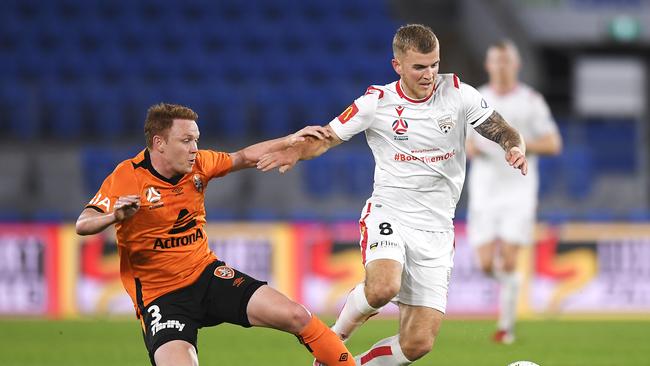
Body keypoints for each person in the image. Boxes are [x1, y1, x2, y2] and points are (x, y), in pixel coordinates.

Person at [257, 24, 528, 365]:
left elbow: (499, 126)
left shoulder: (459, 93)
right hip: (391, 212)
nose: (429, 74)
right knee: (383, 286)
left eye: (434, 64)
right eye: (419, 67)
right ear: (397, 65)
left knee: (418, 344)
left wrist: (512, 145)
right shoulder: (377, 102)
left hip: (437, 230)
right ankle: (331, 341)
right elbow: (328, 137)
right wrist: (298, 151)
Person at [75, 103, 355, 366]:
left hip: (207, 277)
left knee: (298, 316)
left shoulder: (199, 165)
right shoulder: (128, 176)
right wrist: (114, 217)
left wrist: (290, 140)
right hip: (161, 298)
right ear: (159, 143)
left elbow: (242, 157)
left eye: (196, 139)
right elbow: (84, 223)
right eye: (186, 141)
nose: (195, 149)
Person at [465, 40, 562, 344]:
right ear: (488, 65)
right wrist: (469, 148)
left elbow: (553, 143)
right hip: (484, 190)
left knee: (507, 259)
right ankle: (514, 283)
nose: (502, 67)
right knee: (484, 265)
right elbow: (464, 141)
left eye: (507, 61)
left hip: (519, 191)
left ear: (516, 65)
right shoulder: (476, 98)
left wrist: (516, 144)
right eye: (497, 61)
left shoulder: (531, 101)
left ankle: (505, 327)